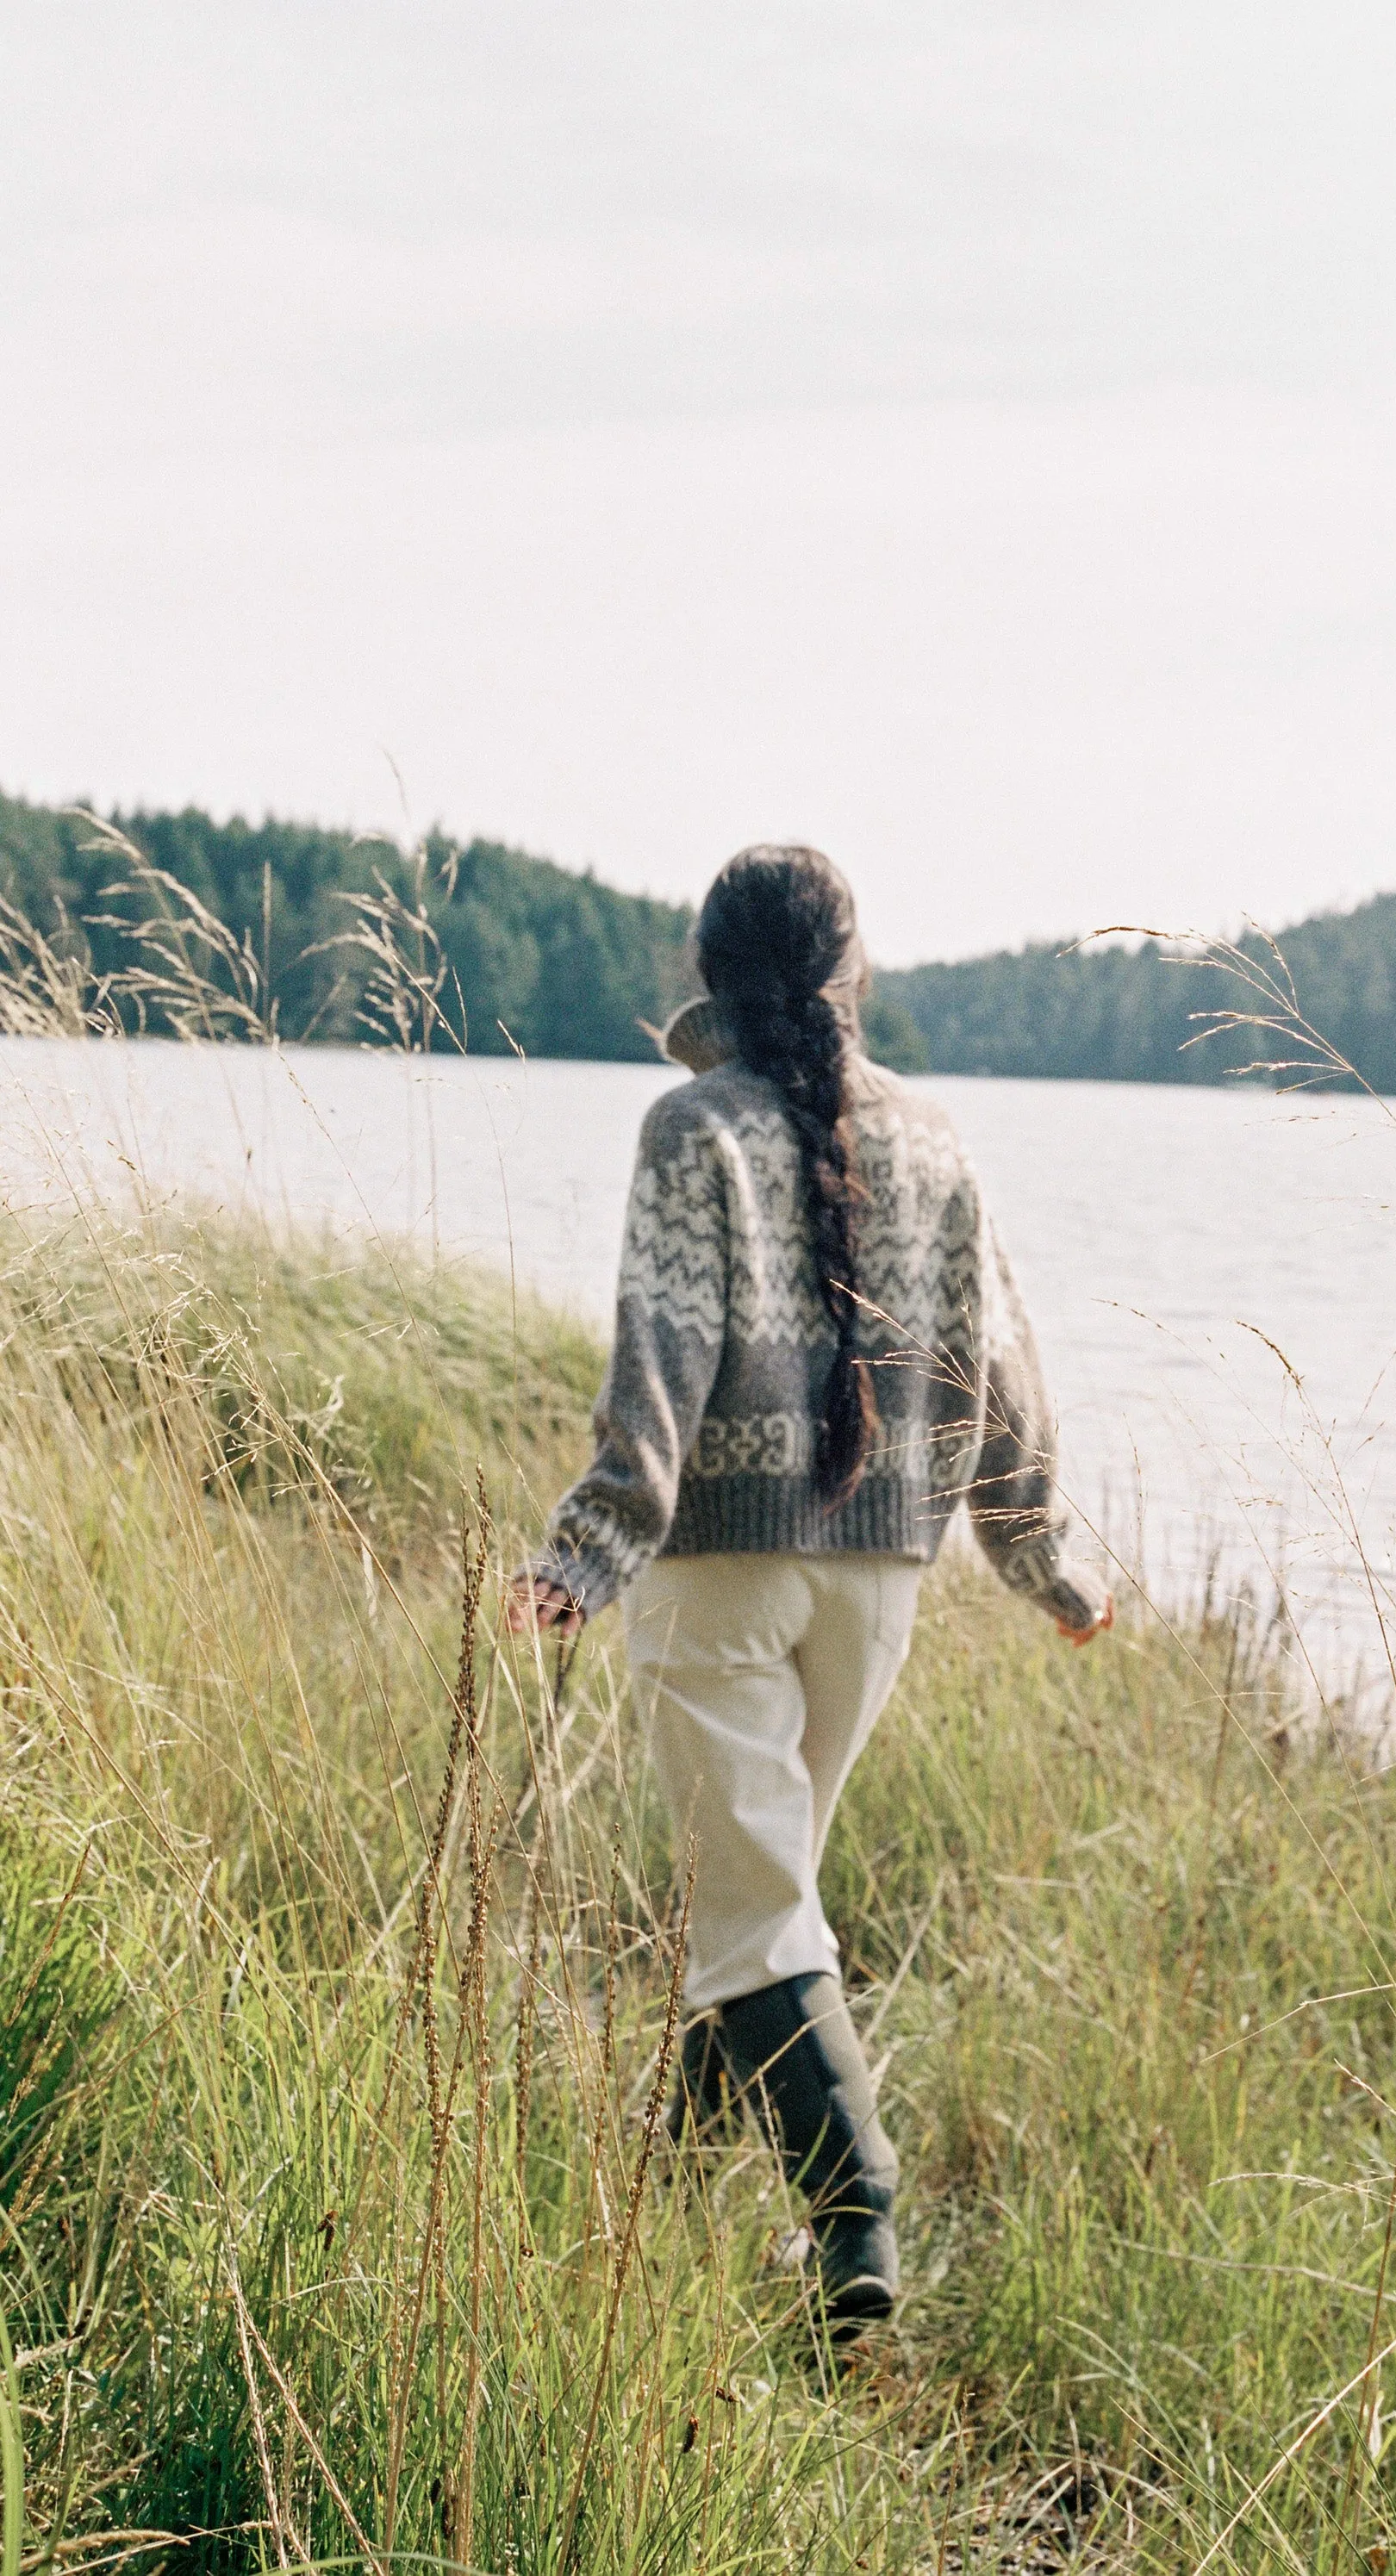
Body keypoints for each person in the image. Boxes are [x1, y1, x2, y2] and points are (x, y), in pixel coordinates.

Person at [507, 845, 1111, 2332]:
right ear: (852, 974)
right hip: (880, 1577)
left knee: (759, 1904)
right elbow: (998, 1367)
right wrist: (1041, 1558)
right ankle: (663, 2189)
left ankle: (856, 2216)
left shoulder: (689, 1127)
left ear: (707, 973)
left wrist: (586, 1552)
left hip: (717, 1564)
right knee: (757, 1893)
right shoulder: (937, 1138)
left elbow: (661, 1356)